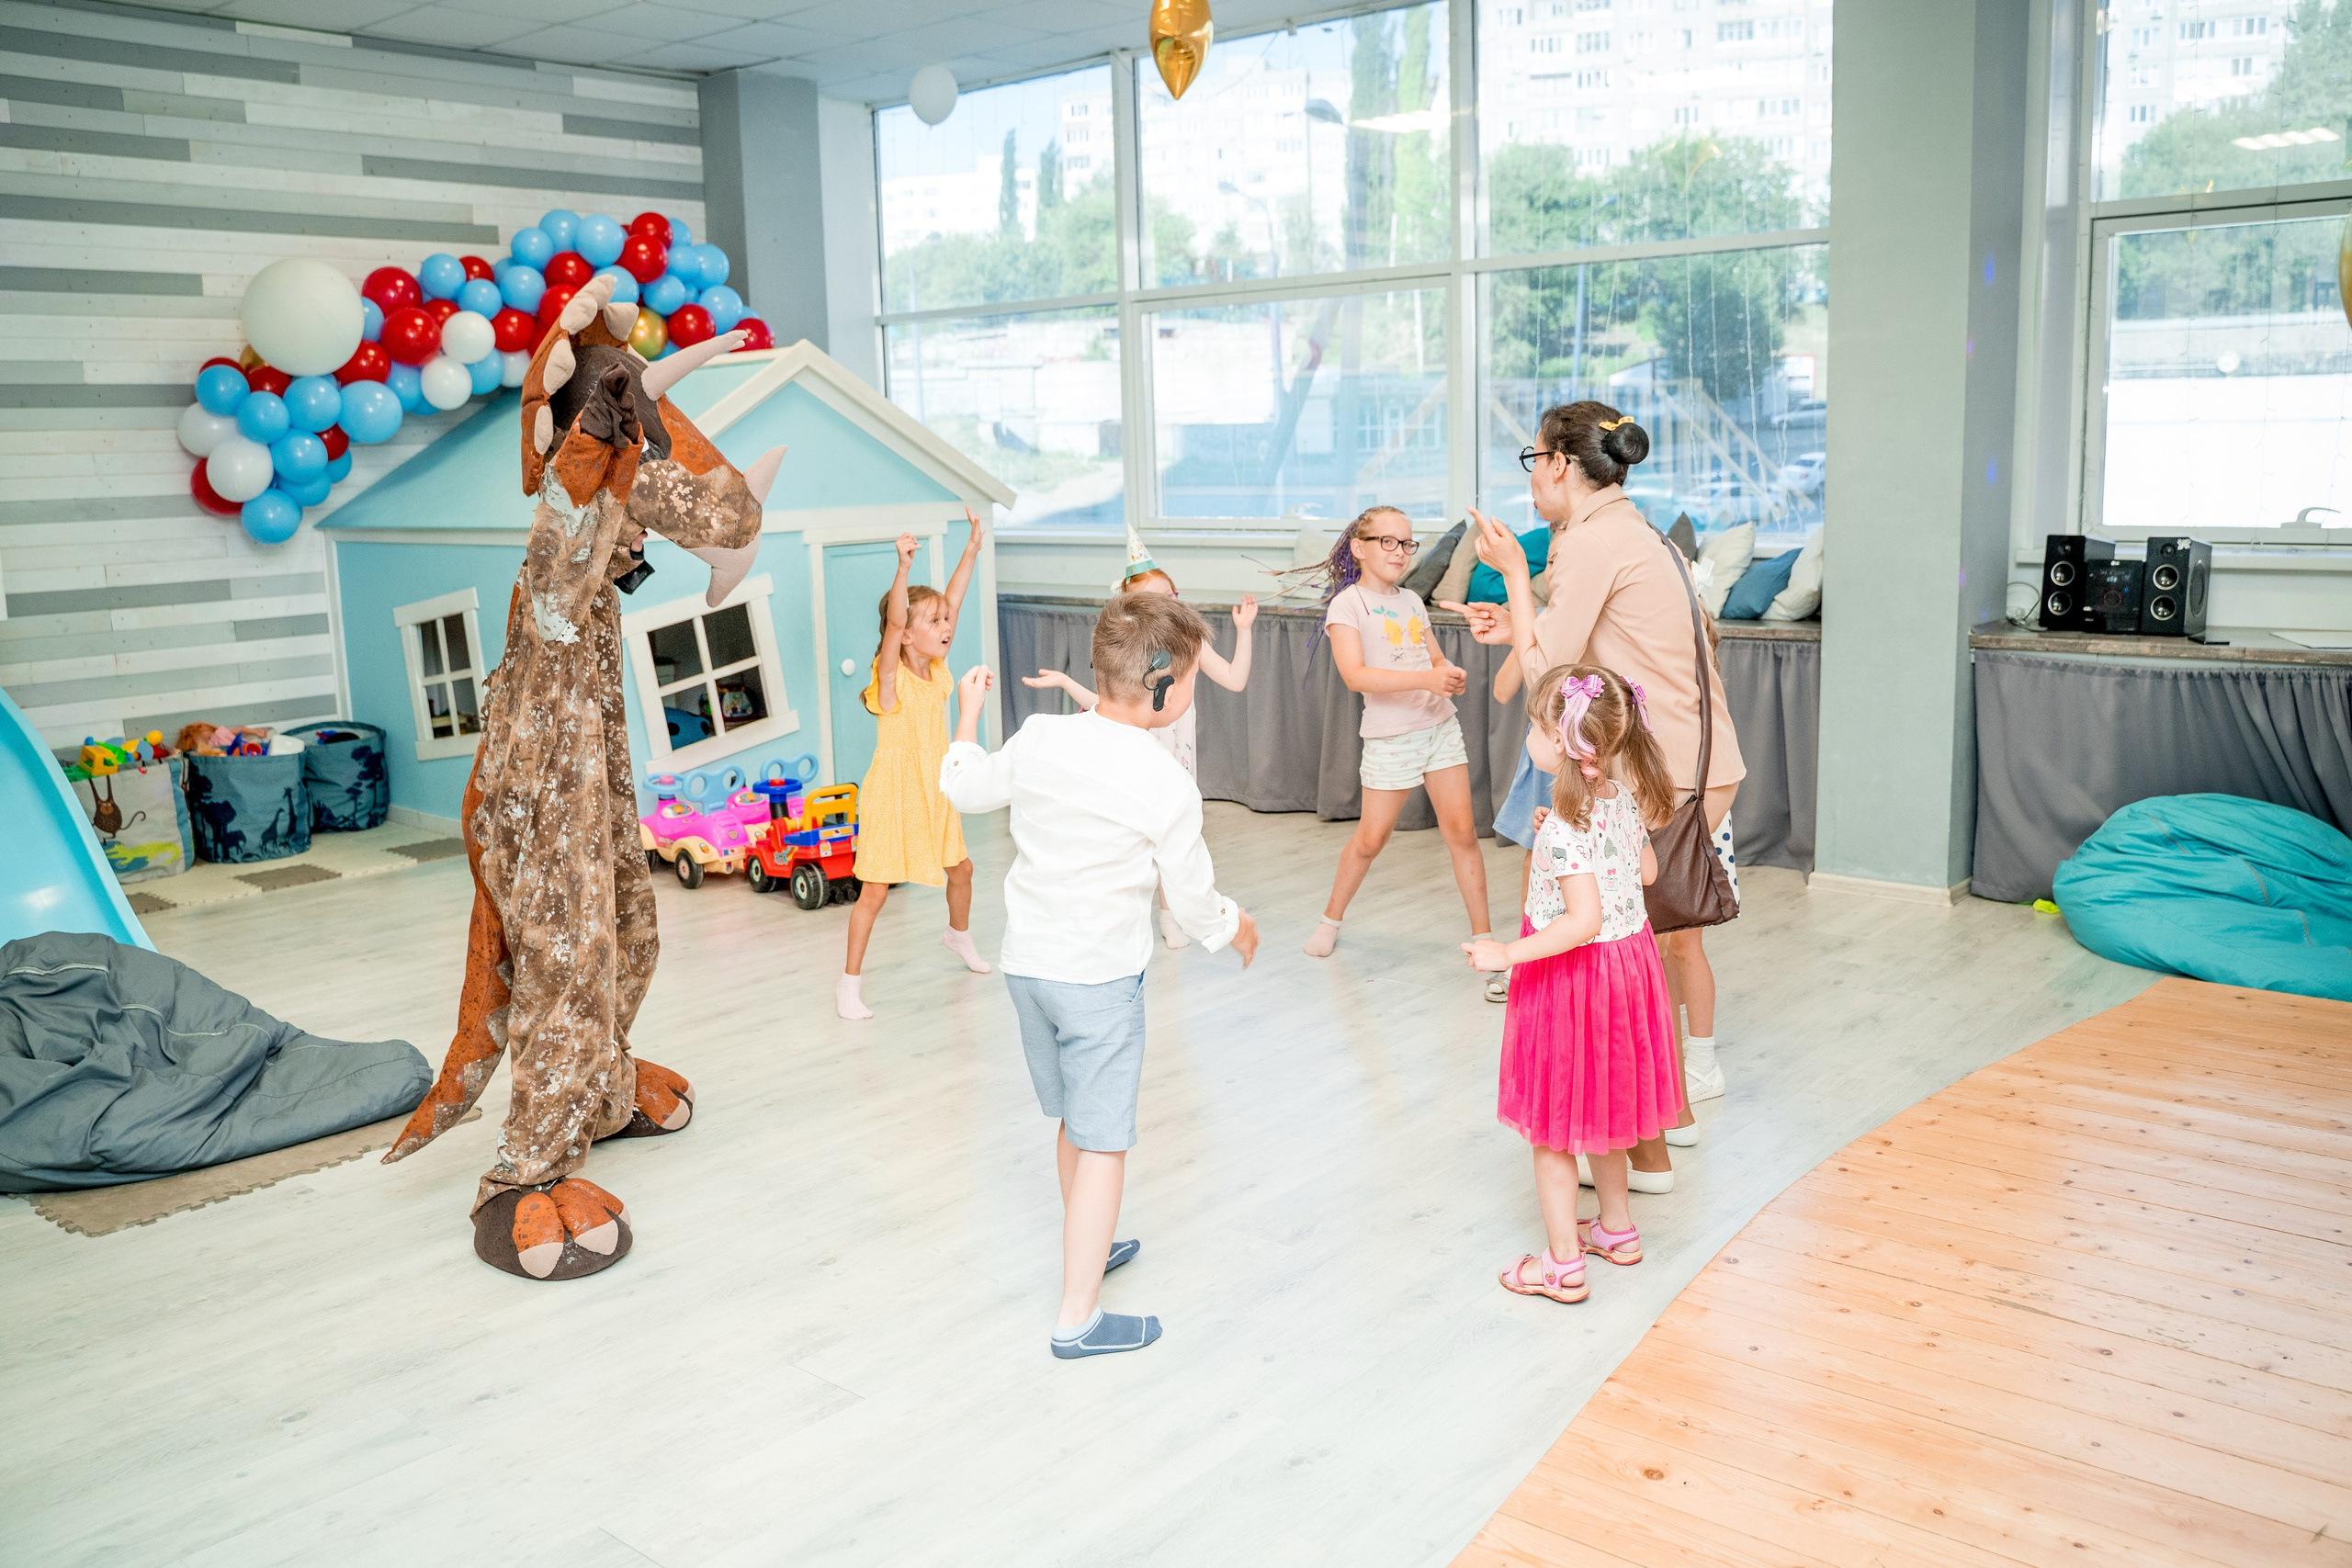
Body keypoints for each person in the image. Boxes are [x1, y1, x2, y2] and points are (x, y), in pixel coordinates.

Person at [940, 594, 1261, 1359]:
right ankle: (1076, 1316)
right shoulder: (1165, 784)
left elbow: (966, 787)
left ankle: (1091, 1242)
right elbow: (1189, 895)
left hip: (1028, 971)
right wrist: (1234, 925)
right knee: (1106, 1140)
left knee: (1073, 1123)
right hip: (1099, 983)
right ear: (1162, 687)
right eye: (1187, 680)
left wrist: (965, 715)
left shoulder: (1042, 735)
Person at [1444, 401, 1744, 1174]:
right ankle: (1656, 1134)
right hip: (1695, 763)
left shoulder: (1587, 542)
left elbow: (1549, 678)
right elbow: (1573, 648)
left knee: (1610, 961)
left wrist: (1515, 577)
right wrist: (1519, 617)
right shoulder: (1635, 533)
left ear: (1560, 465)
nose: (1533, 476)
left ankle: (1637, 1148)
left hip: (1662, 772)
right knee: (1633, 953)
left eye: (1532, 459)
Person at [1464, 664, 1680, 1304]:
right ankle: (1616, 1229)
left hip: (1574, 980)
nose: (1528, 734)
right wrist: (1564, 837)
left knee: (1555, 1126)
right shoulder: (1619, 798)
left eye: (1535, 725)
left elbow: (1581, 921)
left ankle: (1561, 1264)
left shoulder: (1564, 826)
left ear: (1560, 741)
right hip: (1629, 971)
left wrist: (1508, 951)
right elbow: (1644, 871)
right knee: (1606, 1108)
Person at [1022, 523, 1257, 949]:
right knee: (1136, 836)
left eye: (1171, 596)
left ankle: (1171, 916)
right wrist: (1065, 683)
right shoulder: (1130, 651)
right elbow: (1104, 704)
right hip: (1134, 755)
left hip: (1177, 757)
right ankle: (1124, 915)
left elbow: (1236, 680)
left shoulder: (1191, 644)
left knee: (1174, 834)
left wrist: (1244, 630)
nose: (1168, 603)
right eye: (1155, 598)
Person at [1295, 505, 1493, 964]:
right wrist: (1426, 680)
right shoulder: (1348, 605)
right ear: (1359, 548)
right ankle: (1330, 920)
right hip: (1391, 738)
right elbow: (1355, 676)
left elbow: (1434, 659)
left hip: (1440, 727)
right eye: (1388, 541)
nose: (1400, 551)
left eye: (1406, 543)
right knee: (1371, 839)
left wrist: (1448, 674)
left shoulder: (1410, 601)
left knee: (1462, 833)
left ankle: (1483, 937)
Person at [837, 520, 989, 1021]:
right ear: (905, 638)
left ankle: (958, 935)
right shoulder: (889, 681)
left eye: (945, 622)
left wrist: (971, 548)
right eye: (933, 622)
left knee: (961, 869)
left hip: (936, 787)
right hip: (891, 795)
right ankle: (849, 985)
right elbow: (894, 627)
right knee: (875, 892)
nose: (946, 627)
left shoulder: (940, 672)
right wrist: (903, 567)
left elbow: (956, 596)